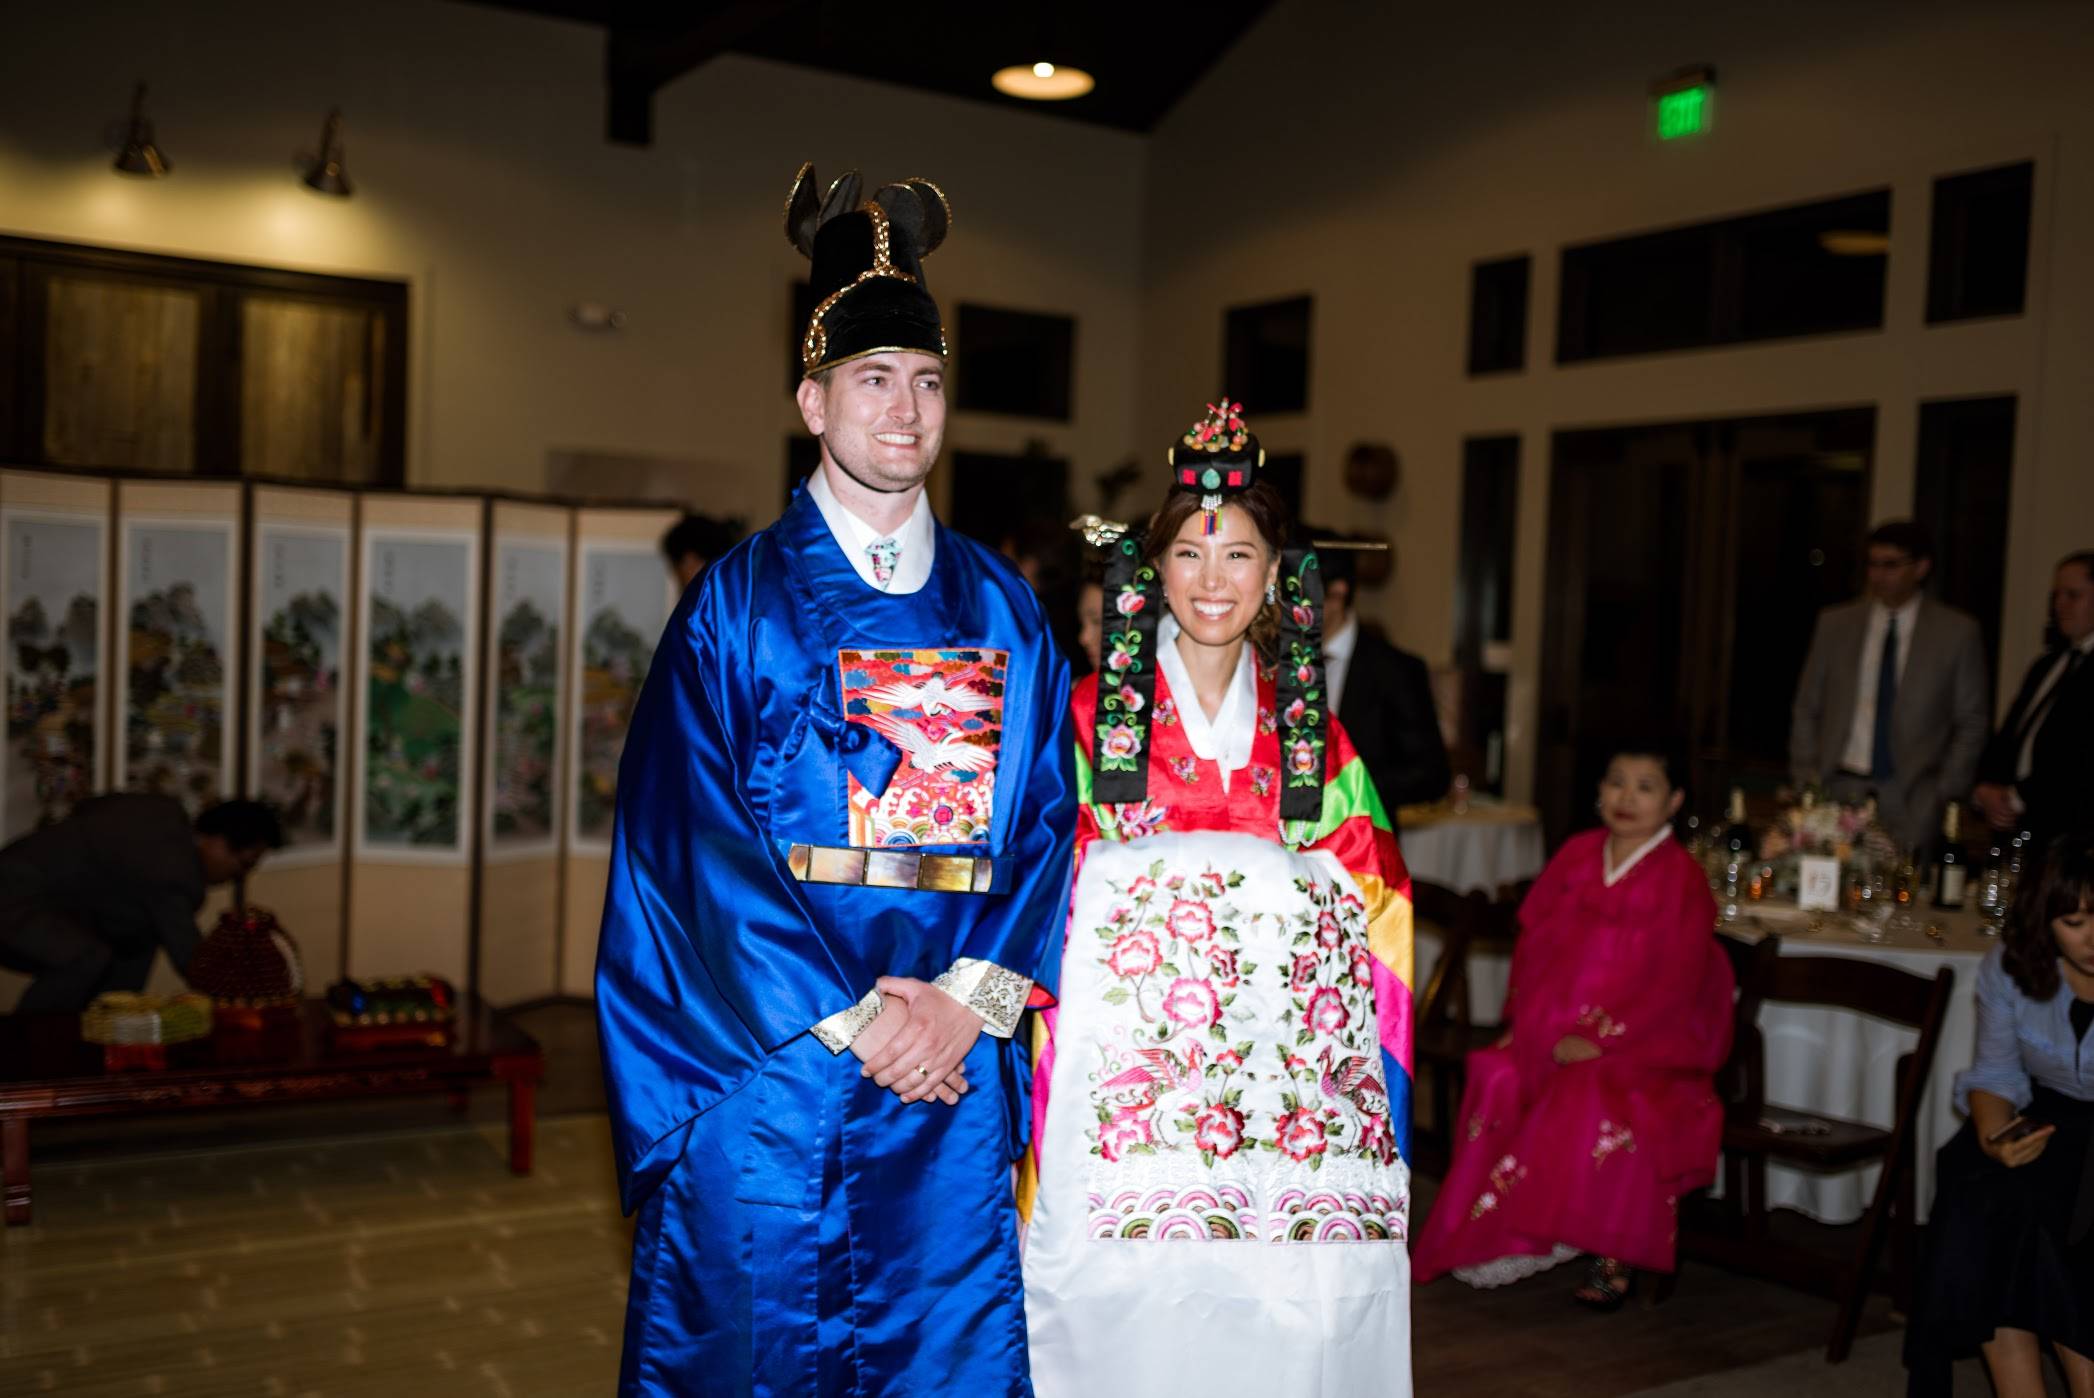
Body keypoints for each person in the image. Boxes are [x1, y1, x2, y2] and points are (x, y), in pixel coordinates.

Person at [594, 163, 1076, 1397]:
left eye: (925, 381)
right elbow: (685, 848)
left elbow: (1042, 820)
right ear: (812, 400)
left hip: (949, 1075)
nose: (904, 412)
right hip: (777, 1065)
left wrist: (964, 1003)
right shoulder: (736, 607)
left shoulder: (1004, 608)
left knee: (942, 1353)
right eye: (872, 380)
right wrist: (861, 1017)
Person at [1022, 400, 1417, 1396]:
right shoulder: (1082, 723)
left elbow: (1380, 906)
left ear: (1278, 576)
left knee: (1286, 1319)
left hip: (1280, 1107)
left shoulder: (1315, 744)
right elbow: (1030, 892)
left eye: (1240, 557)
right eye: (1190, 557)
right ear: (1151, 568)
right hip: (1124, 1100)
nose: (1213, 582)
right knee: (1129, 1312)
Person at [1411, 742, 1732, 1307]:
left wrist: (1604, 1041)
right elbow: (1534, 952)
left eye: (1646, 786)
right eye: (1616, 782)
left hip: (1645, 1041)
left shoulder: (1680, 879)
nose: (1626, 798)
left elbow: (1675, 984)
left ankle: (1610, 1246)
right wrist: (1523, 1023)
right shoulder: (1578, 855)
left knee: (1598, 1095)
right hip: (1554, 1027)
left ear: (1675, 801)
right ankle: (1503, 1231)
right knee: (1498, 1074)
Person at [1904, 835, 2094, 1398]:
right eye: (2073, 922)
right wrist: (1993, 1136)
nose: (2092, 939)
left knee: (2061, 1232)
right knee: (1978, 1194)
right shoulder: (2011, 968)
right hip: (2048, 1112)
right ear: (2044, 922)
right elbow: (1995, 1074)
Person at [1790, 520, 1990, 851]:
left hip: (1911, 793)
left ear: (1921, 567)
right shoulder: (1836, 624)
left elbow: (1971, 721)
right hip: (1837, 786)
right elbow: (1807, 706)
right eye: (1872, 564)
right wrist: (1806, 778)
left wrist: (1945, 791)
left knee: (1901, 892)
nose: (1878, 575)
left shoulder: (1956, 633)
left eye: (1891, 565)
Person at [0, 794, 282, 1012]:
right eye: (243, 864)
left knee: (136, 941)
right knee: (86, 957)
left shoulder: (159, 812)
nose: (238, 877)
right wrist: (248, 998)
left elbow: (88, 806)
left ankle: (98, 1040)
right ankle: (23, 1052)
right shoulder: (173, 868)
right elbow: (192, 960)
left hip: (19, 881)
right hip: (14, 895)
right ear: (218, 842)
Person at [1315, 532, 1451, 814]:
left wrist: (1345, 789)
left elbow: (1432, 775)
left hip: (1364, 841)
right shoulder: (1276, 659)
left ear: (1337, 593)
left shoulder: (1395, 670)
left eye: (1297, 591)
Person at [1973, 551, 2094, 852]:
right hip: (2021, 830)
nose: (2060, 605)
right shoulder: (2047, 666)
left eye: (2073, 595)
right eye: (2057, 595)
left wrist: (2018, 796)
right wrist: (1986, 786)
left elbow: (2079, 756)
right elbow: (2009, 736)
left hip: (2073, 835)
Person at [659, 512, 742, 592]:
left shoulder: (705, 601)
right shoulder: (737, 593)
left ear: (689, 561)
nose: (677, 576)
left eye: (676, 568)